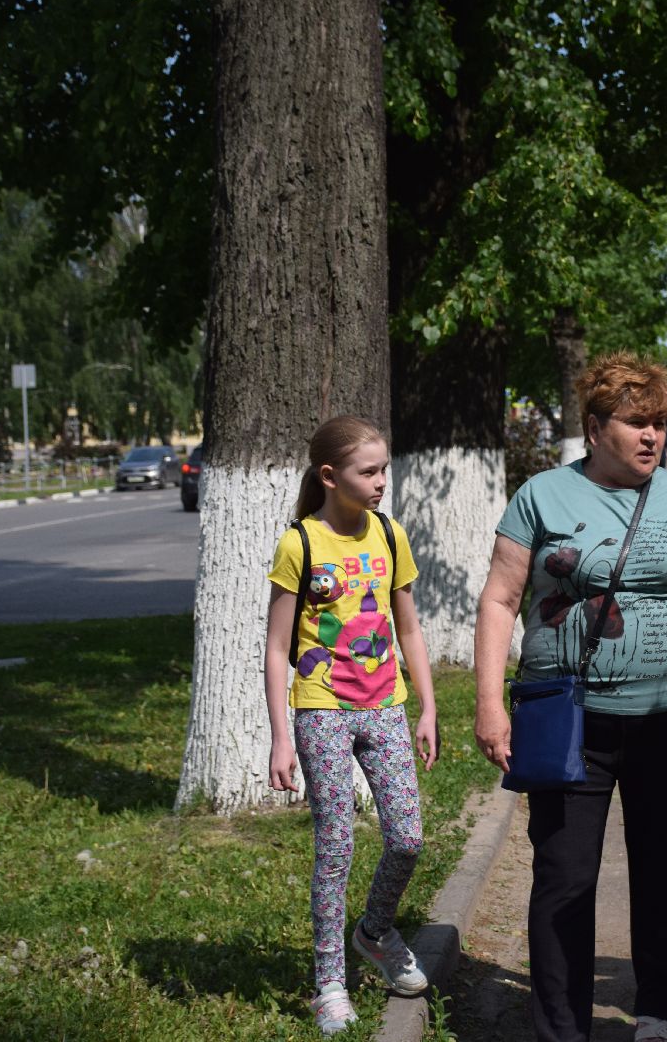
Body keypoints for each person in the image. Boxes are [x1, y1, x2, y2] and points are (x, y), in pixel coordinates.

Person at [473, 351, 667, 1042]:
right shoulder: (543, 496)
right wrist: (491, 703)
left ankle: (659, 1013)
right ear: (597, 425)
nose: (653, 437)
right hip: (570, 721)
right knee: (563, 880)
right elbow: (499, 598)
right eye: (637, 423)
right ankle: (561, 1029)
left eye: (661, 424)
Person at [263, 415, 439, 1036]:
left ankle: (373, 931)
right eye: (369, 471)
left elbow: (409, 626)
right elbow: (276, 645)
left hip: (386, 705)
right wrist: (282, 734)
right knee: (335, 843)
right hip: (322, 709)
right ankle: (330, 982)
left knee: (408, 837)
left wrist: (428, 705)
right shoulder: (300, 545)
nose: (382, 481)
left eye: (385, 469)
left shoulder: (390, 535)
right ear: (330, 477)